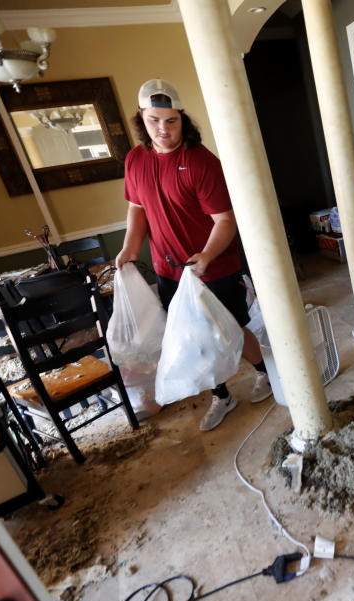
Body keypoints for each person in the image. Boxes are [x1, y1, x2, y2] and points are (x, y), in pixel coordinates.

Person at [115, 78, 271, 431]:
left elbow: (225, 220)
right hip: (168, 270)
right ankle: (222, 395)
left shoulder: (200, 162)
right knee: (191, 336)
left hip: (213, 266)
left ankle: (265, 373)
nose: (163, 129)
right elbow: (137, 209)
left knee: (233, 326)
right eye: (155, 120)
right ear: (141, 118)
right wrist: (129, 247)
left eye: (172, 120)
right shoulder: (135, 160)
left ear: (182, 118)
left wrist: (206, 255)